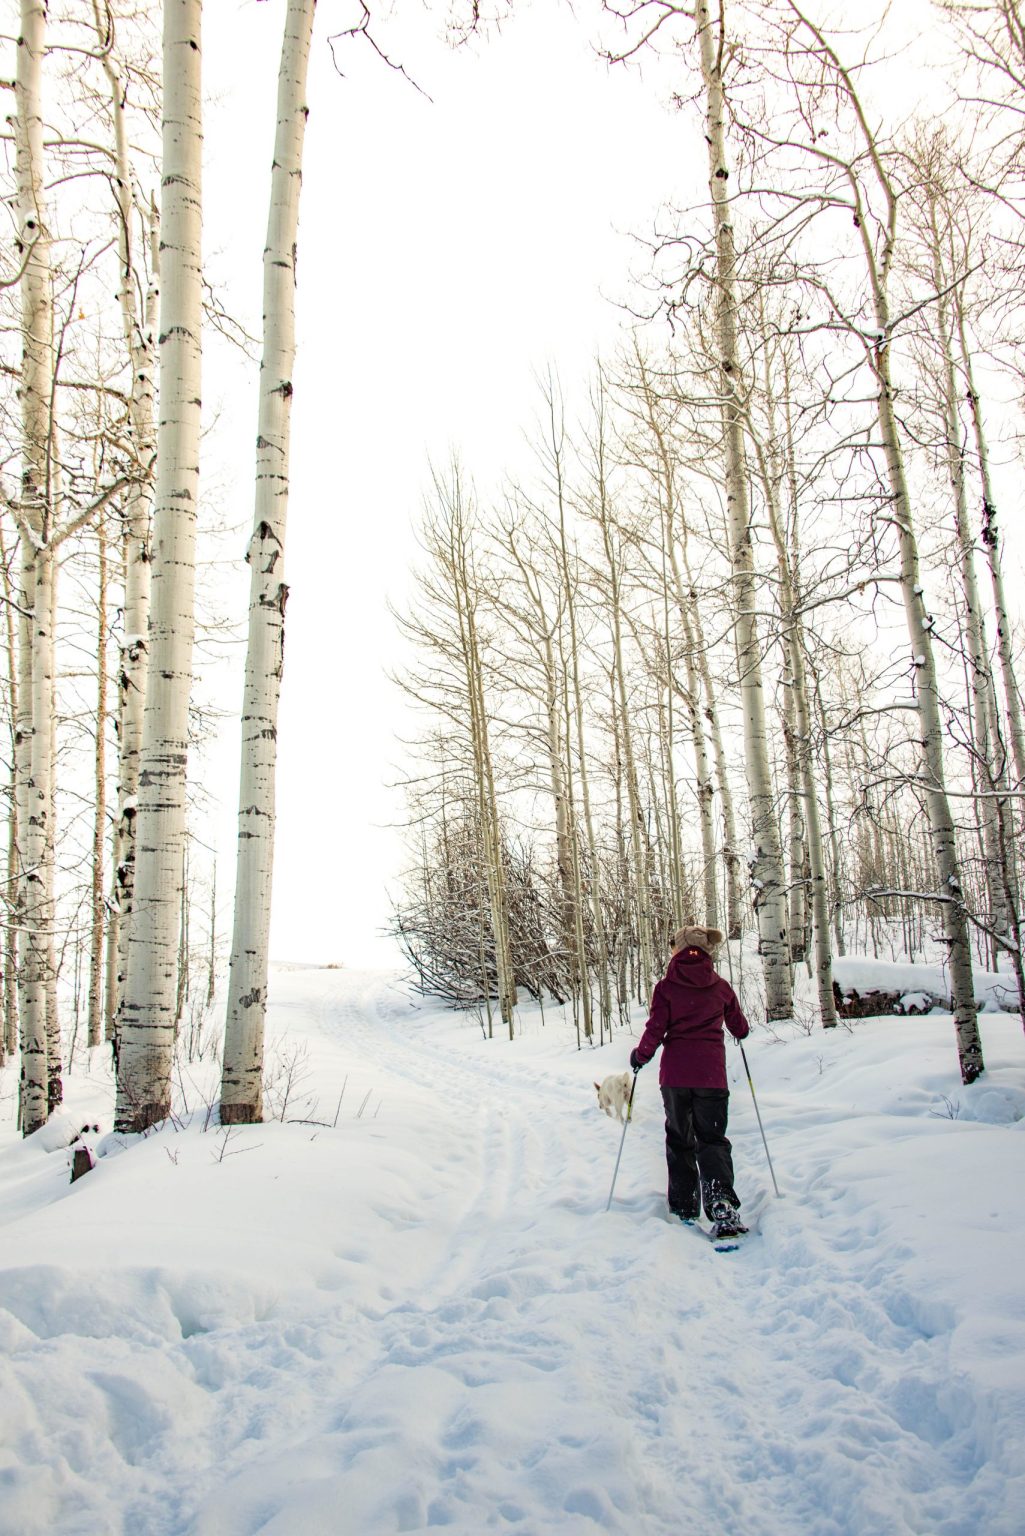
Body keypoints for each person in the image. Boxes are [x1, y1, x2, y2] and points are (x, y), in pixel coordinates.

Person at [629, 924, 750, 1239]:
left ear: (679, 952)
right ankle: (721, 1202)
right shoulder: (720, 987)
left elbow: (655, 1029)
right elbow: (740, 1027)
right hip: (711, 1076)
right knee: (711, 1141)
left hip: (675, 1078)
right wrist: (737, 1030)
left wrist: (640, 1056)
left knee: (680, 1139)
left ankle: (684, 1206)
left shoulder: (666, 988)